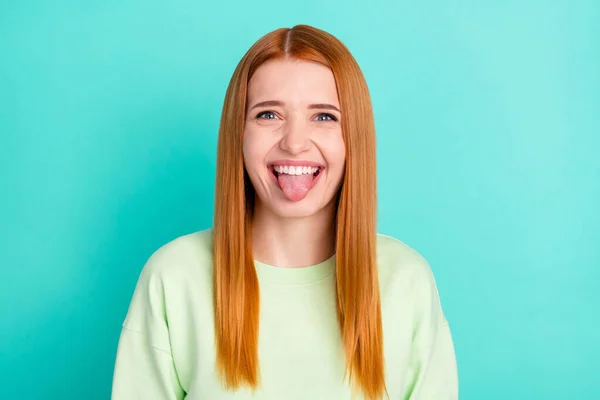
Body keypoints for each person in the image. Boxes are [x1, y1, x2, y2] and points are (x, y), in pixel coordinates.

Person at [111, 24, 458, 400]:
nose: (294, 143)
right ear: (238, 134)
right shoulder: (173, 278)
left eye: (324, 116)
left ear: (353, 137)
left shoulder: (406, 282)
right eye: (268, 115)